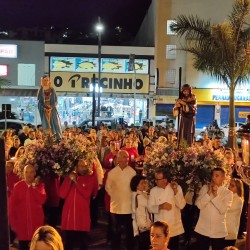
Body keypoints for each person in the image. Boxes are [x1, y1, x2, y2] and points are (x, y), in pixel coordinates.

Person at [59, 159, 98, 250]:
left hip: (82, 216)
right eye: (81, 166)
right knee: (68, 243)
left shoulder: (90, 178)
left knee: (83, 243)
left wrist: (76, 182)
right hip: (70, 217)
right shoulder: (69, 177)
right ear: (76, 168)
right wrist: (69, 181)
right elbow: (62, 194)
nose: (83, 168)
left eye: (84, 166)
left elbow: (87, 194)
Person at [9, 164, 47, 250]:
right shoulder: (18, 186)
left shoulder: (40, 186)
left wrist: (34, 187)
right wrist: (13, 223)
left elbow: (42, 200)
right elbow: (12, 206)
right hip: (22, 226)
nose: (29, 174)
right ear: (23, 173)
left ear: (35, 173)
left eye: (31, 172)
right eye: (26, 172)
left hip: (36, 225)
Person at [194, 167, 233, 250]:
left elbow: (223, 210)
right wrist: (208, 193)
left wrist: (215, 195)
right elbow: (199, 205)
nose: (214, 178)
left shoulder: (228, 193)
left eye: (217, 176)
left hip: (219, 231)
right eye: (213, 175)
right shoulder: (205, 188)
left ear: (223, 178)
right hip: (202, 229)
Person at [105, 150, 136, 250]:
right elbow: (107, 187)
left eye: (127, 157)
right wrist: (115, 196)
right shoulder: (112, 173)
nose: (126, 159)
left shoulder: (132, 172)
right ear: (117, 159)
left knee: (129, 232)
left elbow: (135, 188)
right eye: (123, 157)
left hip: (129, 206)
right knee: (116, 232)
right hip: (116, 207)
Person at [148, 169, 185, 250]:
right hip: (160, 229)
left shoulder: (176, 187)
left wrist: (175, 192)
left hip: (174, 228)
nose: (156, 181)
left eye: (158, 179)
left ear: (165, 180)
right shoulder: (153, 191)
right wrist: (161, 206)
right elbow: (150, 208)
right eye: (155, 179)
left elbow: (182, 205)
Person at [37, 75, 62, 140]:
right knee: (47, 124)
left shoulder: (52, 89)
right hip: (45, 110)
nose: (46, 81)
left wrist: (51, 106)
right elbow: (39, 100)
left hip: (52, 109)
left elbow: (56, 100)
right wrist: (45, 106)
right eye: (45, 80)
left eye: (47, 80)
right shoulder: (40, 90)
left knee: (55, 123)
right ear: (42, 81)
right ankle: (48, 138)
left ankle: (58, 137)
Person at [130, 175, 152, 250]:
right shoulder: (140, 196)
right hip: (143, 226)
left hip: (139, 226)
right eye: (142, 183)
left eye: (144, 182)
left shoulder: (135, 194)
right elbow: (151, 206)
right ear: (136, 185)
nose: (144, 185)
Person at [224, 178, 244, 248]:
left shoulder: (238, 199)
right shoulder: (229, 196)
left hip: (230, 231)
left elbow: (226, 208)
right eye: (229, 185)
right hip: (223, 230)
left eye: (232, 186)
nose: (229, 187)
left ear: (238, 188)